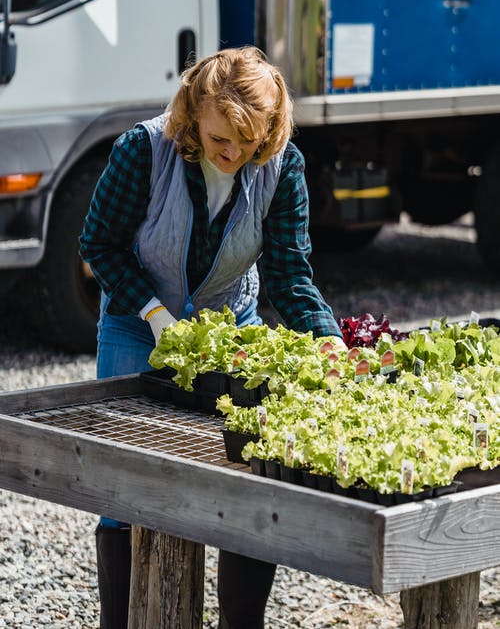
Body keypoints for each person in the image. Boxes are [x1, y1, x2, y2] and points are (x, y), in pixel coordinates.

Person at [79, 45, 345, 629]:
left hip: (232, 325)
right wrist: (152, 312)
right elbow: (99, 246)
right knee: (125, 489)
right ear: (196, 113)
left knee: (246, 480)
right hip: (137, 323)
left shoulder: (284, 167)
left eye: (248, 143)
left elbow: (289, 273)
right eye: (221, 138)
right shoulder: (141, 150)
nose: (232, 154)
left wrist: (328, 343)